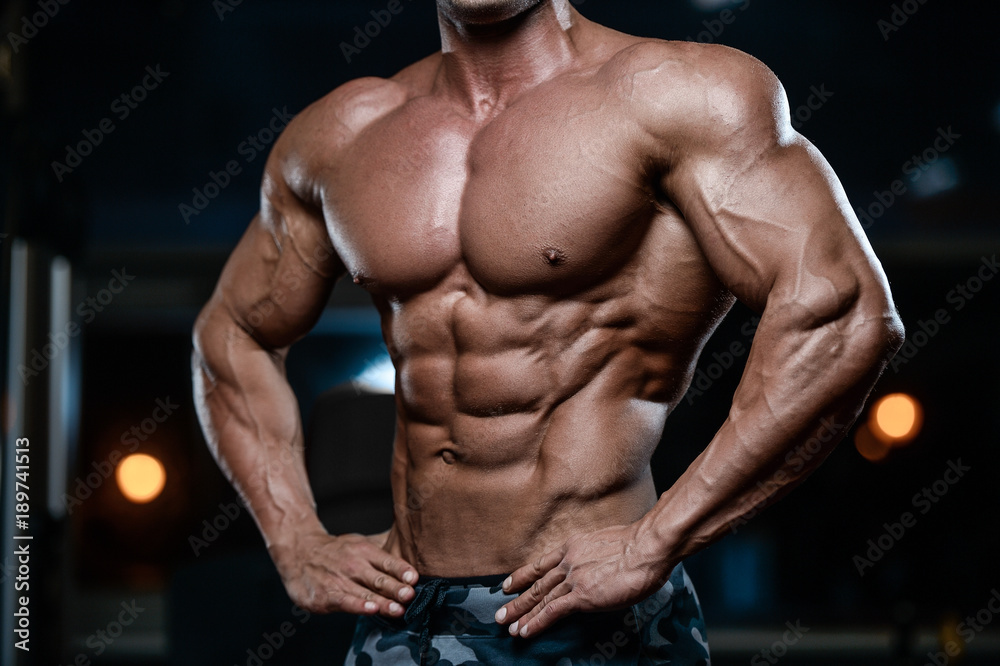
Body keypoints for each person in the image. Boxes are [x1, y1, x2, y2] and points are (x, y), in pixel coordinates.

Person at [191, 1, 904, 663]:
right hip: (402, 621)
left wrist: (662, 537)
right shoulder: (344, 134)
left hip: (588, 613)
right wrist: (293, 538)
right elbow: (233, 333)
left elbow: (842, 311)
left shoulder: (679, 96)